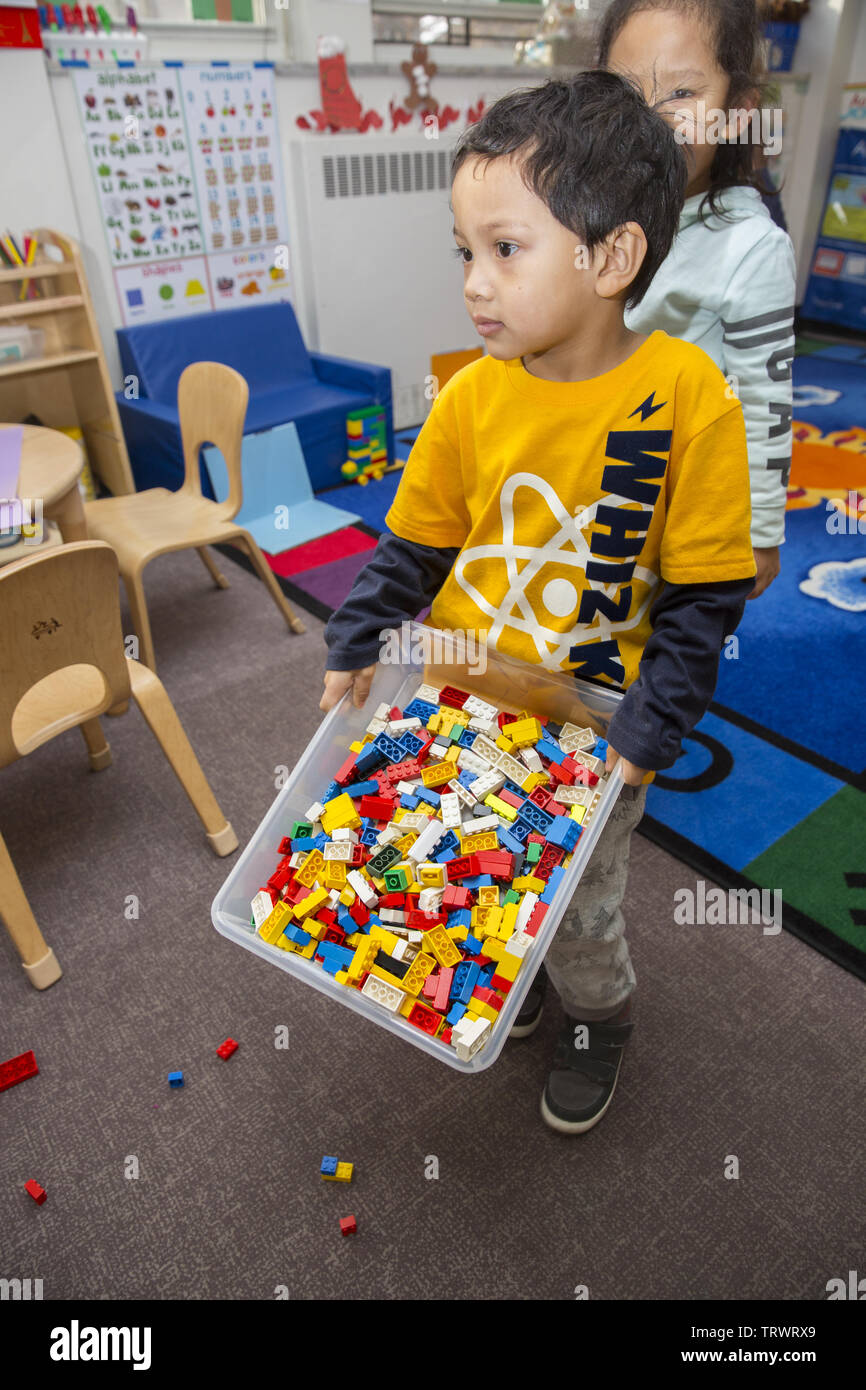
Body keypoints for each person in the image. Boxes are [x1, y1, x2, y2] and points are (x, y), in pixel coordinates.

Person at [319, 70, 756, 1133]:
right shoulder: (468, 392)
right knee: (474, 864)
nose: (473, 282)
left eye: (504, 250)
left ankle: (596, 1016)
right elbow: (413, 541)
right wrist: (356, 632)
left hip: (598, 723)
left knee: (579, 910)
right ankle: (510, 982)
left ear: (609, 259)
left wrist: (650, 731)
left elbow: (705, 597)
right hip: (467, 698)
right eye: (463, 252)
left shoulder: (687, 398)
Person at [599, 0, 797, 599]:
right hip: (586, 470)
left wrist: (760, 533)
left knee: (663, 648)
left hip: (679, 496)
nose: (651, 120)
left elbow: (765, 400)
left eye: (681, 93)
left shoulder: (749, 249)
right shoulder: (589, 214)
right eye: (626, 93)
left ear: (737, 112)